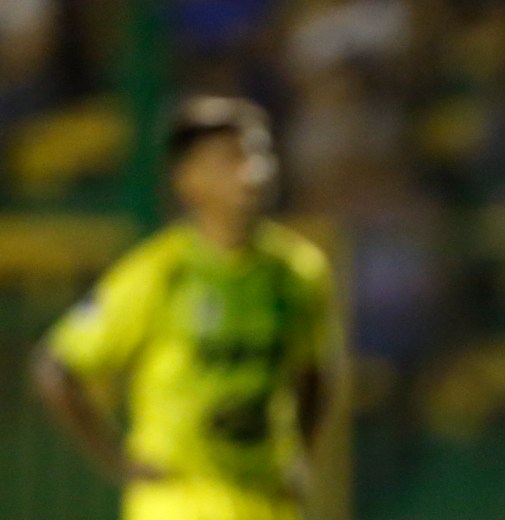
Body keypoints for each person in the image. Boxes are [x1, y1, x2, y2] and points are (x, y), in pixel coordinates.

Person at [33, 96, 346, 520]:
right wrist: (117, 462)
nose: (253, 171)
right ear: (188, 179)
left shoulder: (299, 271)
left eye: (260, 154)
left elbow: (317, 372)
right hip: (179, 500)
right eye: (229, 159)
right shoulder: (158, 273)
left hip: (266, 501)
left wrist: (299, 454)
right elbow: (56, 367)